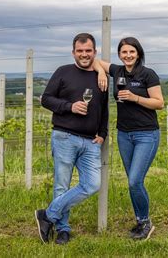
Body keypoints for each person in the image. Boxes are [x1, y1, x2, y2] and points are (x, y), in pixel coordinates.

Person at [35, 33, 109, 245]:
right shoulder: (63, 72)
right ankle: (63, 230)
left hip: (91, 142)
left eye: (88, 51)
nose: (84, 54)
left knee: (92, 184)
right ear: (73, 52)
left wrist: (103, 134)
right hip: (65, 137)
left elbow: (103, 109)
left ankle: (48, 215)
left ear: (94, 53)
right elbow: (46, 99)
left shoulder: (101, 76)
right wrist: (70, 107)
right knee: (62, 185)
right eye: (80, 51)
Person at [93, 36, 164, 240]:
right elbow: (96, 61)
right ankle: (141, 221)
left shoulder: (148, 75)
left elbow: (159, 103)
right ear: (119, 55)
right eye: (124, 52)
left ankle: (145, 222)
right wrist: (101, 72)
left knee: (134, 181)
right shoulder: (117, 71)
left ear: (138, 53)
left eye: (132, 52)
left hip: (146, 134)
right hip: (124, 134)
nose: (128, 55)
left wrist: (135, 98)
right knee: (132, 181)